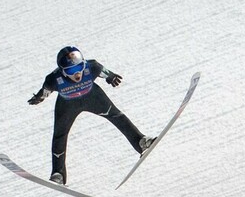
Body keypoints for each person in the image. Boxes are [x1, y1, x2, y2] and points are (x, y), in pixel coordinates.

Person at [28, 46, 155, 185]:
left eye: (79, 67)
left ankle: (141, 142)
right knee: (60, 135)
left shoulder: (92, 67)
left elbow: (104, 71)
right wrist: (39, 98)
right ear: (62, 71)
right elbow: (45, 91)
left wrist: (111, 77)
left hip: (93, 98)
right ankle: (58, 174)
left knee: (117, 116)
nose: (77, 74)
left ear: (84, 64)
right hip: (67, 105)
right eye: (71, 71)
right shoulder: (53, 79)